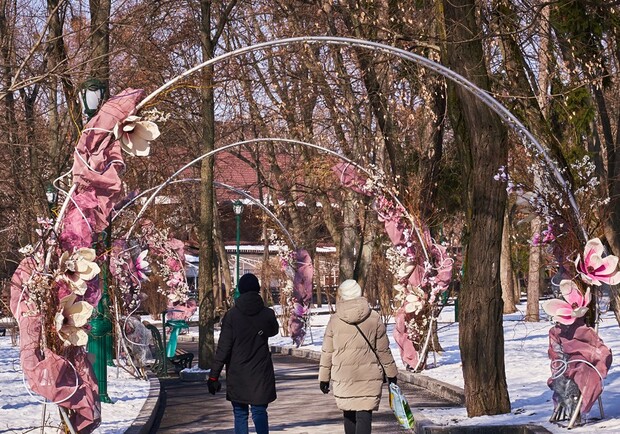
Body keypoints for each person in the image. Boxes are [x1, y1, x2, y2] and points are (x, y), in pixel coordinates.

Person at [319, 279, 398, 434]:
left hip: (343, 375)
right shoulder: (374, 318)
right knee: (364, 415)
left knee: (348, 413)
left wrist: (324, 378)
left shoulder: (335, 320)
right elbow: (383, 350)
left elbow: (327, 351)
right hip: (368, 375)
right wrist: (392, 374)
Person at [207, 273, 279, 434]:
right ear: (257, 289)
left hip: (238, 373)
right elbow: (273, 330)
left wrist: (213, 376)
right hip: (260, 373)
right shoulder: (267, 314)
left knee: (240, 414)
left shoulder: (232, 315)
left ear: (240, 289)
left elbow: (224, 347)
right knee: (259, 412)